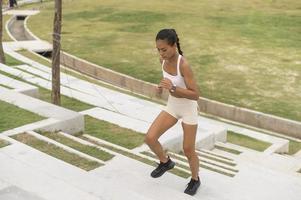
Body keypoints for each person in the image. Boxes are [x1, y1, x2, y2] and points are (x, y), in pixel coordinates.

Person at [145, 28, 201, 196]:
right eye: (158, 49)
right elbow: (167, 82)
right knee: (150, 138)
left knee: (188, 150)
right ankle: (165, 162)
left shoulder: (183, 64)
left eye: (164, 49)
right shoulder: (162, 61)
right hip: (172, 107)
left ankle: (195, 179)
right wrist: (161, 87)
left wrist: (174, 88)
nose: (161, 53)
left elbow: (195, 94)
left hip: (189, 110)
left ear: (174, 45)